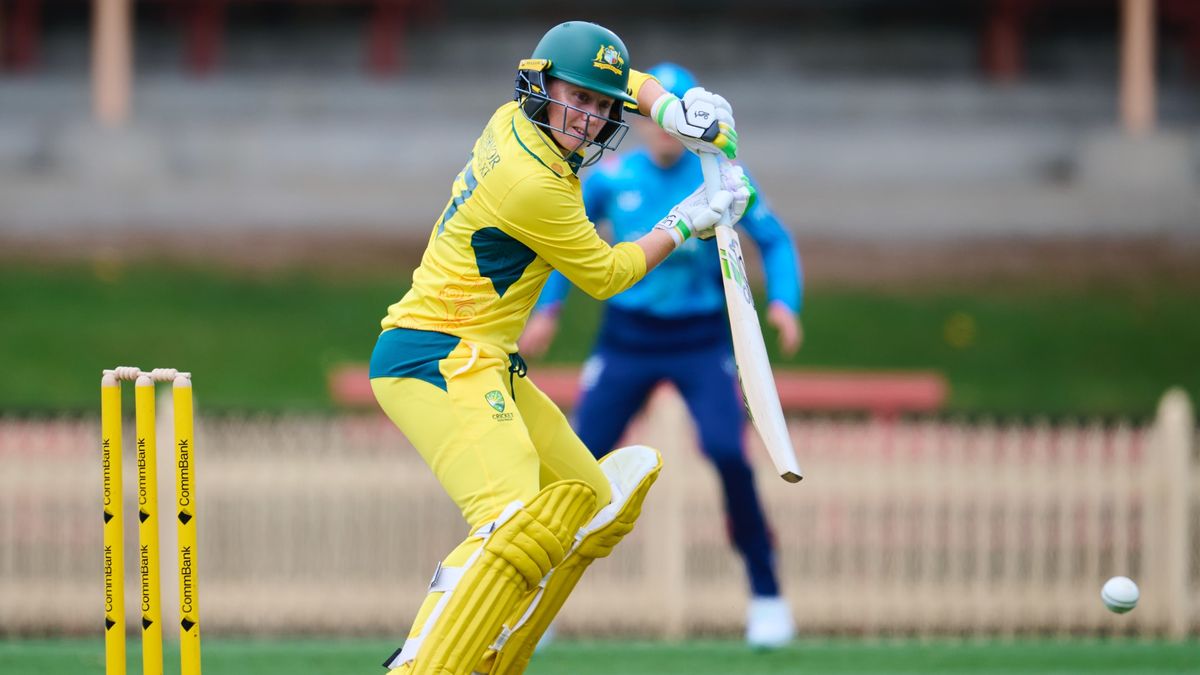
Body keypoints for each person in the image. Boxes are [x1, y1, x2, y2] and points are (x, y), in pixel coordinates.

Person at [369, 22, 752, 675]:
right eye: (579, 99)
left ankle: (495, 652)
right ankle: (417, 662)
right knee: (510, 518)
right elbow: (605, 275)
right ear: (543, 87)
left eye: (604, 108)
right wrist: (687, 218)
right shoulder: (534, 184)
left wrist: (672, 109)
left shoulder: (514, 120)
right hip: (437, 355)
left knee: (587, 498)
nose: (591, 117)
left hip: (482, 355)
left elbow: (619, 79)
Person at [520, 62, 803, 649]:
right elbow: (563, 244)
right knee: (577, 458)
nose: (660, 132)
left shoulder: (720, 175)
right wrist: (547, 310)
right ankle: (534, 597)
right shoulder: (613, 176)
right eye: (649, 118)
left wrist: (785, 303)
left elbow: (773, 238)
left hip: (699, 337)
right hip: (627, 336)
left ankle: (766, 593)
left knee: (727, 452)